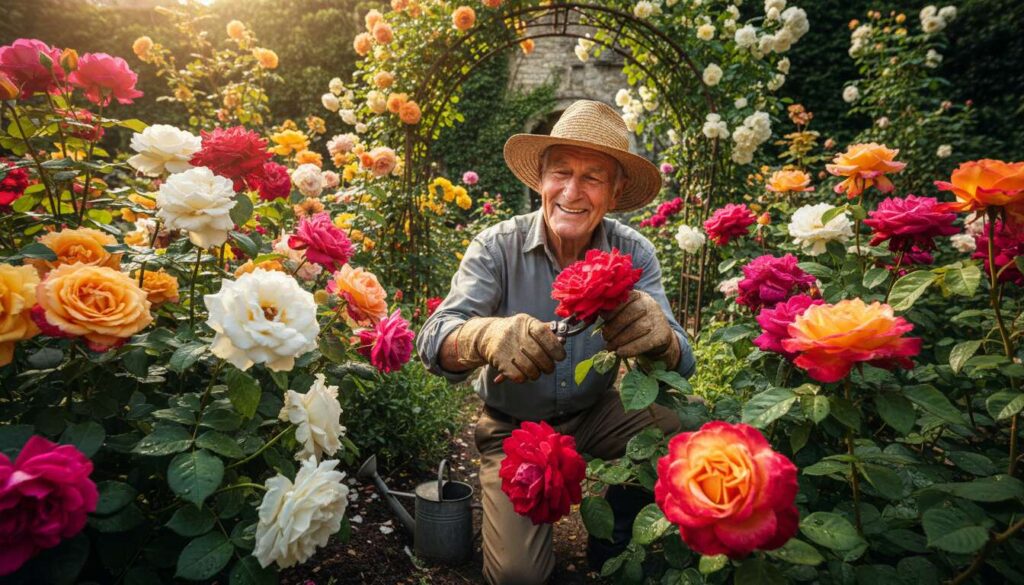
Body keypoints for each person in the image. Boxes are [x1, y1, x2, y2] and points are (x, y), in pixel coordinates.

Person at [416, 100, 697, 585]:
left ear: (615, 190)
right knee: (518, 576)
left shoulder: (634, 252)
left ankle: (615, 538)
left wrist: (660, 339)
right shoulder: (496, 246)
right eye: (560, 172)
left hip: (597, 414)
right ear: (539, 179)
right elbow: (433, 339)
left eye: (592, 177)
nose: (572, 191)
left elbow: (682, 360)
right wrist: (484, 334)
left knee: (679, 428)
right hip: (514, 427)